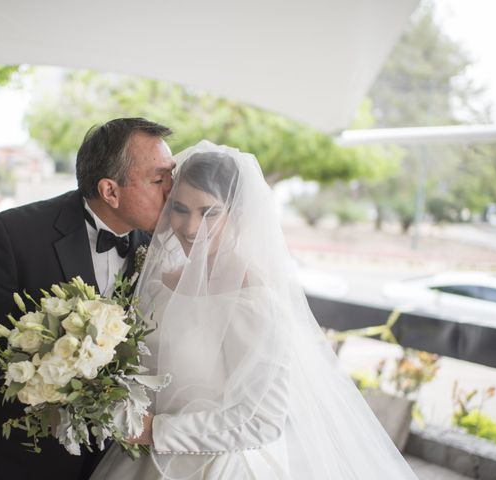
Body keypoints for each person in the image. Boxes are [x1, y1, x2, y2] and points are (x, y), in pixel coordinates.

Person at [91, 141, 418, 479]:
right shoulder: (157, 284)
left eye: (209, 212)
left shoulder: (253, 300)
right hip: (133, 459)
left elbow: (262, 420)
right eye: (180, 208)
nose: (191, 227)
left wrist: (156, 432)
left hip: (211, 467)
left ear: (239, 215)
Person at [0, 118, 175, 480]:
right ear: (110, 190)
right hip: (22, 461)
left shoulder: (160, 247)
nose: (172, 190)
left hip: (115, 463)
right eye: (159, 180)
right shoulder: (12, 236)